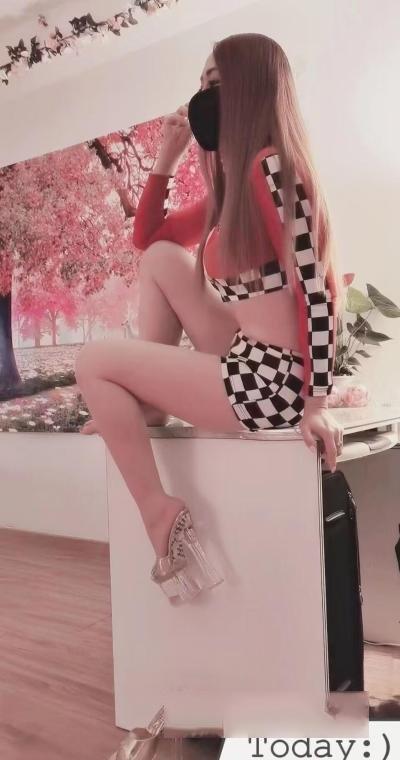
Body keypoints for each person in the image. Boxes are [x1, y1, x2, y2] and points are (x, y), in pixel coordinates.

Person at [76, 33, 344, 604]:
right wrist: (167, 159)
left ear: (254, 90)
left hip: (274, 382)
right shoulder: (232, 188)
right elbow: (147, 238)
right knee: (159, 258)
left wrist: (317, 403)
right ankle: (146, 406)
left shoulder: (273, 168)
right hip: (248, 355)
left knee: (92, 361)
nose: (203, 98)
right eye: (200, 85)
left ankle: (158, 512)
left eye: (217, 85)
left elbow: (316, 292)